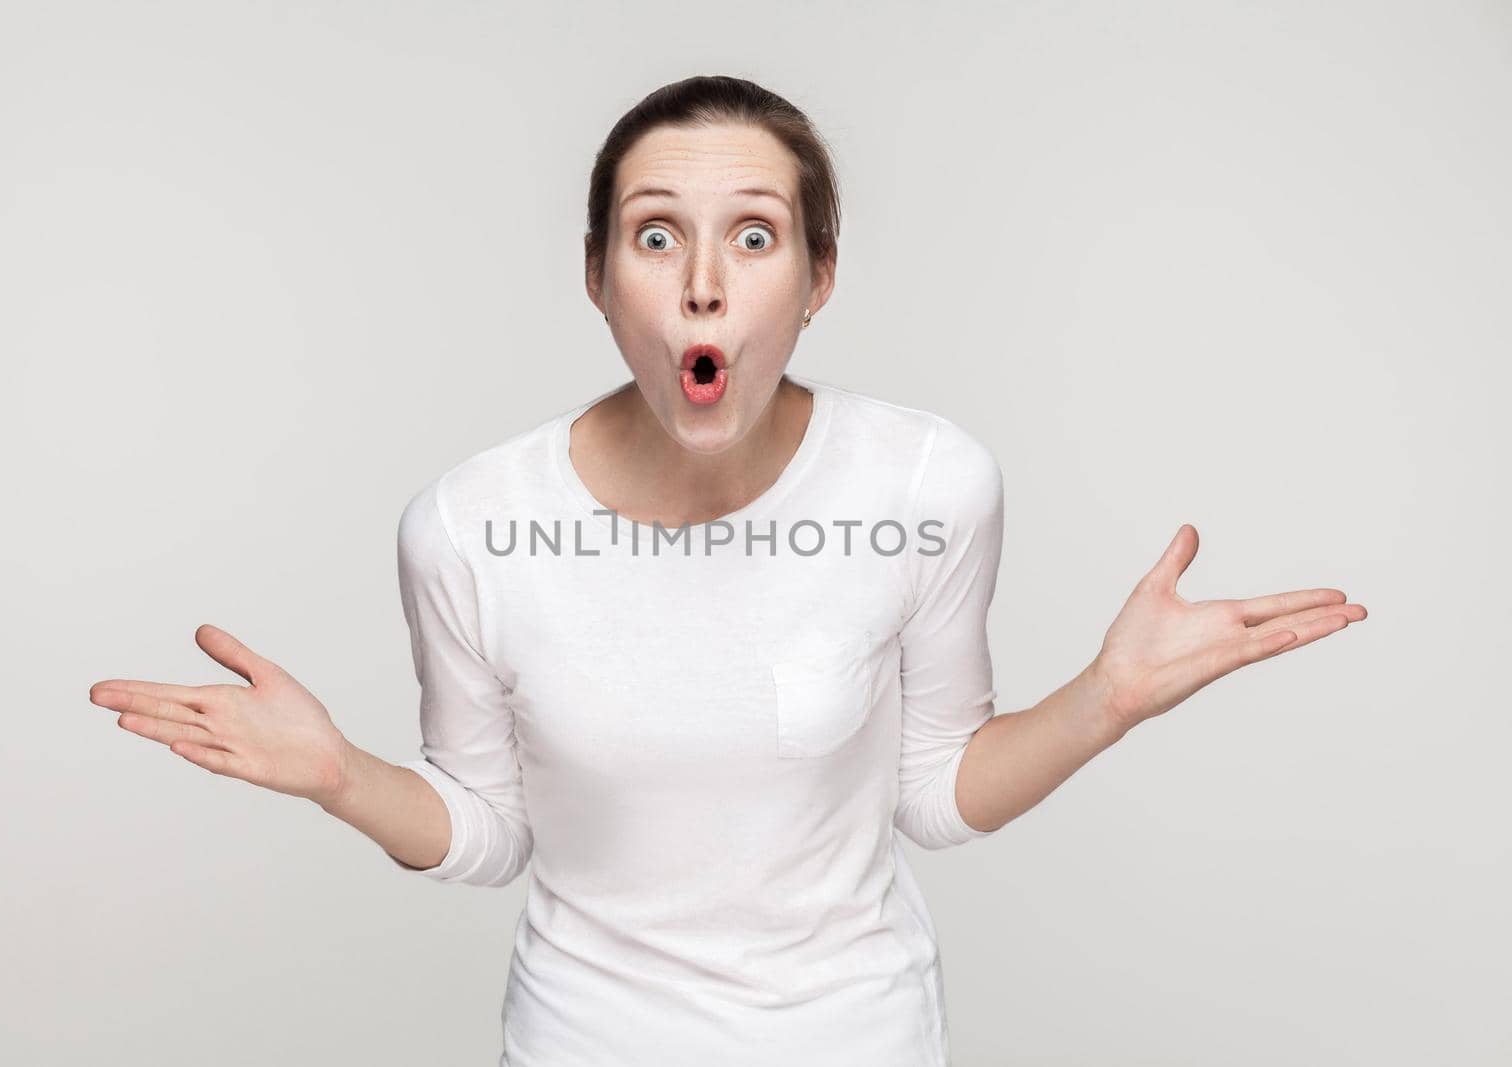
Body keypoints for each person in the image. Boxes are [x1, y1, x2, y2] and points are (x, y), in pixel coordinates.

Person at [87, 75, 1368, 1066]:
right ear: (596, 277)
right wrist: (338, 776)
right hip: (584, 1038)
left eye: (754, 239)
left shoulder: (926, 483)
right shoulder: (469, 525)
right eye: (656, 238)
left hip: (855, 1037)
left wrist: (1106, 697)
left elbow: (931, 789)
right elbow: (491, 831)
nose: (703, 286)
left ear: (818, 278)